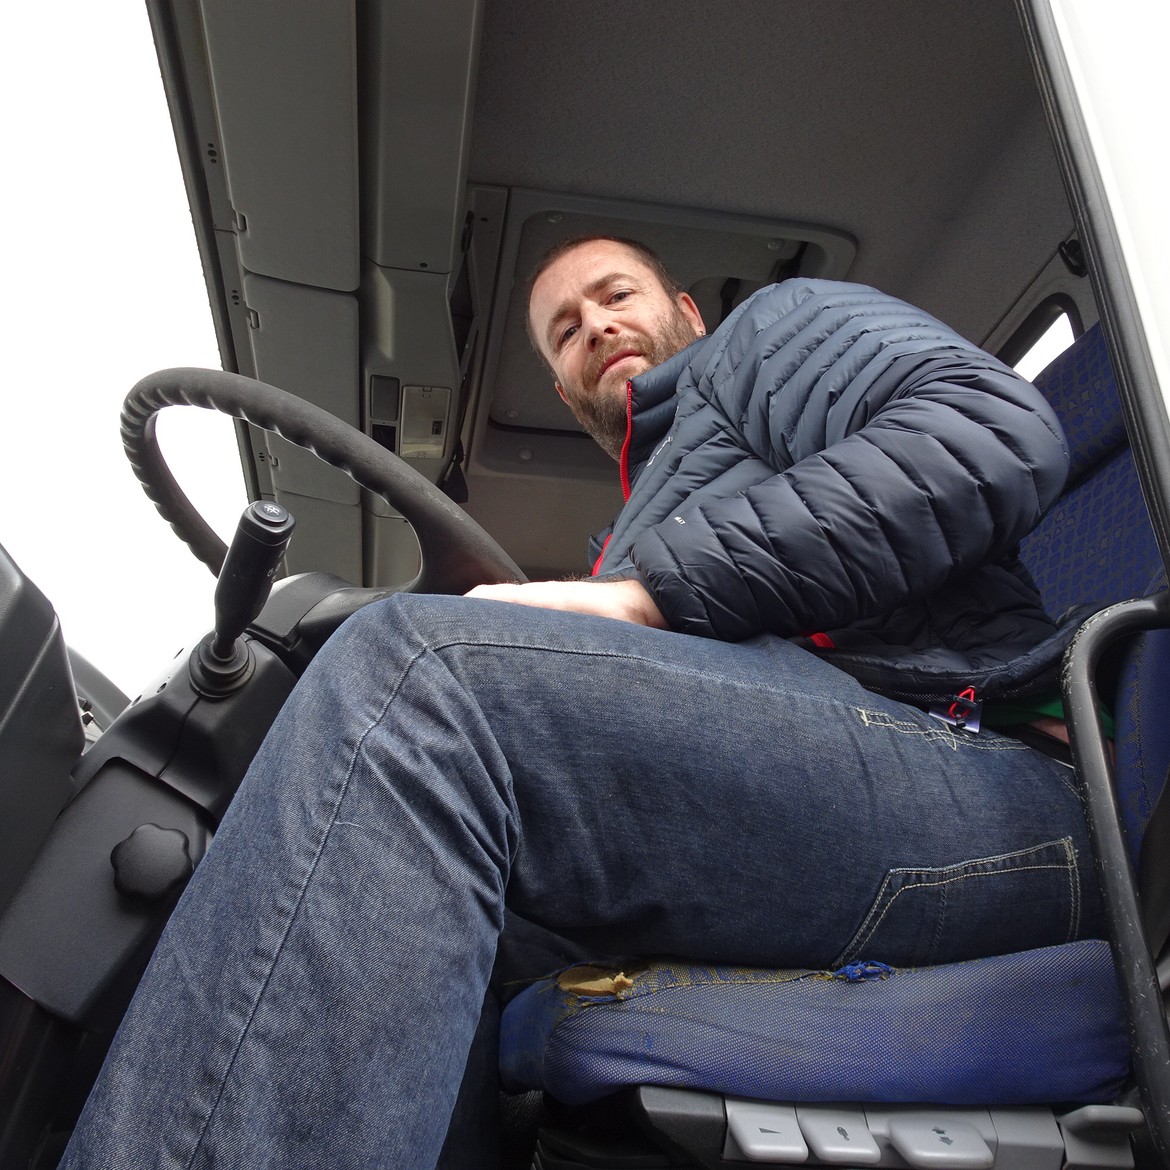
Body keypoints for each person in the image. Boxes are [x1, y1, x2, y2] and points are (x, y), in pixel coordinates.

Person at [61, 238, 1099, 1169]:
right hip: (834, 818)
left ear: (684, 311)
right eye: (565, 329)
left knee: (421, 678)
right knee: (407, 903)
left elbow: (989, 433)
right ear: (565, 390)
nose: (595, 324)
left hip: (995, 779)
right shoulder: (633, 530)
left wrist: (651, 595)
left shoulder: (769, 337)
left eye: (616, 295)